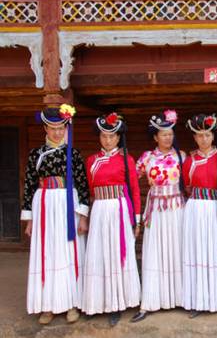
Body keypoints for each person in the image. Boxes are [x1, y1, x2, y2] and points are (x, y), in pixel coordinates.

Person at [21, 104, 89, 324]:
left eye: (61, 128)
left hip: (67, 204)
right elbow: (30, 185)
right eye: (53, 129)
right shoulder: (36, 155)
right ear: (46, 130)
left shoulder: (74, 155)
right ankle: (47, 305)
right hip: (44, 205)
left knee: (68, 252)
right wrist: (29, 219)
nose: (57, 133)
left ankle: (71, 303)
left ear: (66, 129)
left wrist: (83, 215)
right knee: (47, 252)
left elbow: (83, 185)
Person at [83, 112, 141, 326]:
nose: (108, 140)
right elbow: (89, 189)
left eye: (112, 136)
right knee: (98, 254)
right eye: (104, 136)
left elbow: (134, 190)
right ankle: (96, 302)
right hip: (99, 210)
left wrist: (136, 219)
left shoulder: (127, 159)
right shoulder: (92, 161)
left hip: (119, 210)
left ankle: (117, 304)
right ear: (99, 137)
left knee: (117, 255)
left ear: (118, 138)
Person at [131, 110, 185, 322]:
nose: (168, 138)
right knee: (155, 251)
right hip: (156, 208)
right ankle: (152, 300)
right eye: (163, 134)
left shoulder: (182, 156)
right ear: (155, 137)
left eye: (170, 133)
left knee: (176, 250)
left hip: (176, 207)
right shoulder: (147, 158)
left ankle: (180, 297)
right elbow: (131, 180)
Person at [182, 114, 217, 317]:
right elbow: (187, 186)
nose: (203, 139)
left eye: (207, 135)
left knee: (216, 252)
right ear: (194, 138)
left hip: (216, 208)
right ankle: (198, 301)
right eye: (199, 135)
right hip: (196, 208)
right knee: (198, 252)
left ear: (213, 136)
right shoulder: (189, 161)